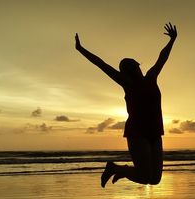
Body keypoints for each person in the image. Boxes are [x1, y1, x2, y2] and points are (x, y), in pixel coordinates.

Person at [75, 23, 177, 187]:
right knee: (144, 177)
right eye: (130, 66)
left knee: (155, 179)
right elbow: (101, 64)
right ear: (127, 71)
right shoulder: (127, 83)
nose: (136, 67)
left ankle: (121, 171)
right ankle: (114, 168)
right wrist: (81, 49)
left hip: (156, 131)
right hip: (137, 132)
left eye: (135, 64)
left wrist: (172, 40)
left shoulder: (151, 77)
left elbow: (162, 58)